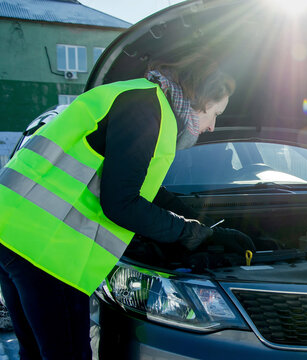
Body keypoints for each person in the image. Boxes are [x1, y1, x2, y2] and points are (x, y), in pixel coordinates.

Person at [0, 53, 254, 359]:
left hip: (14, 232)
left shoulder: (140, 99)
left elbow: (144, 190)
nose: (213, 126)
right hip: (46, 251)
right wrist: (192, 234)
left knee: (36, 352)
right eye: (216, 113)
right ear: (200, 98)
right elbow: (121, 203)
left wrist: (208, 226)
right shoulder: (146, 109)